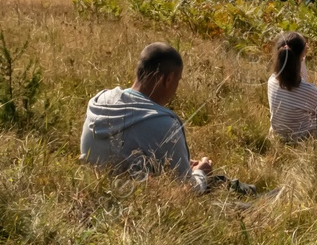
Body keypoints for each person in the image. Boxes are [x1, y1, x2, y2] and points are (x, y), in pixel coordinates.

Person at [80, 42, 221, 190]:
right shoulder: (165, 124)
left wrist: (174, 161)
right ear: (168, 80)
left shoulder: (100, 100)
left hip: (91, 187)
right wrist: (201, 173)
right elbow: (188, 190)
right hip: (134, 201)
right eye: (177, 81)